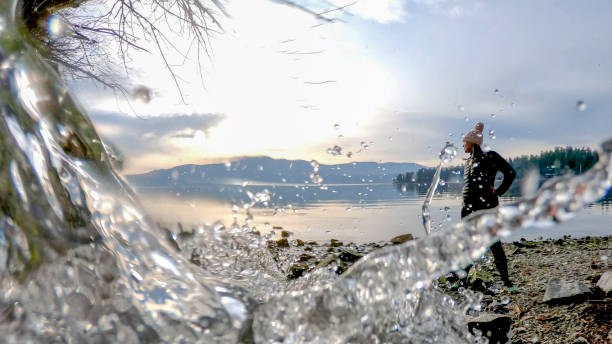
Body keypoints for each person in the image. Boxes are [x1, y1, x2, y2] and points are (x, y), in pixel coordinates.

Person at [461, 122, 517, 291]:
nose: (463, 145)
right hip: (467, 208)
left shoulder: (490, 156)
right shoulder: (467, 162)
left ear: (472, 142)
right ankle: (462, 279)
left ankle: (507, 282)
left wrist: (499, 191)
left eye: (465, 142)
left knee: (494, 243)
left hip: (486, 207)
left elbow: (510, 173)